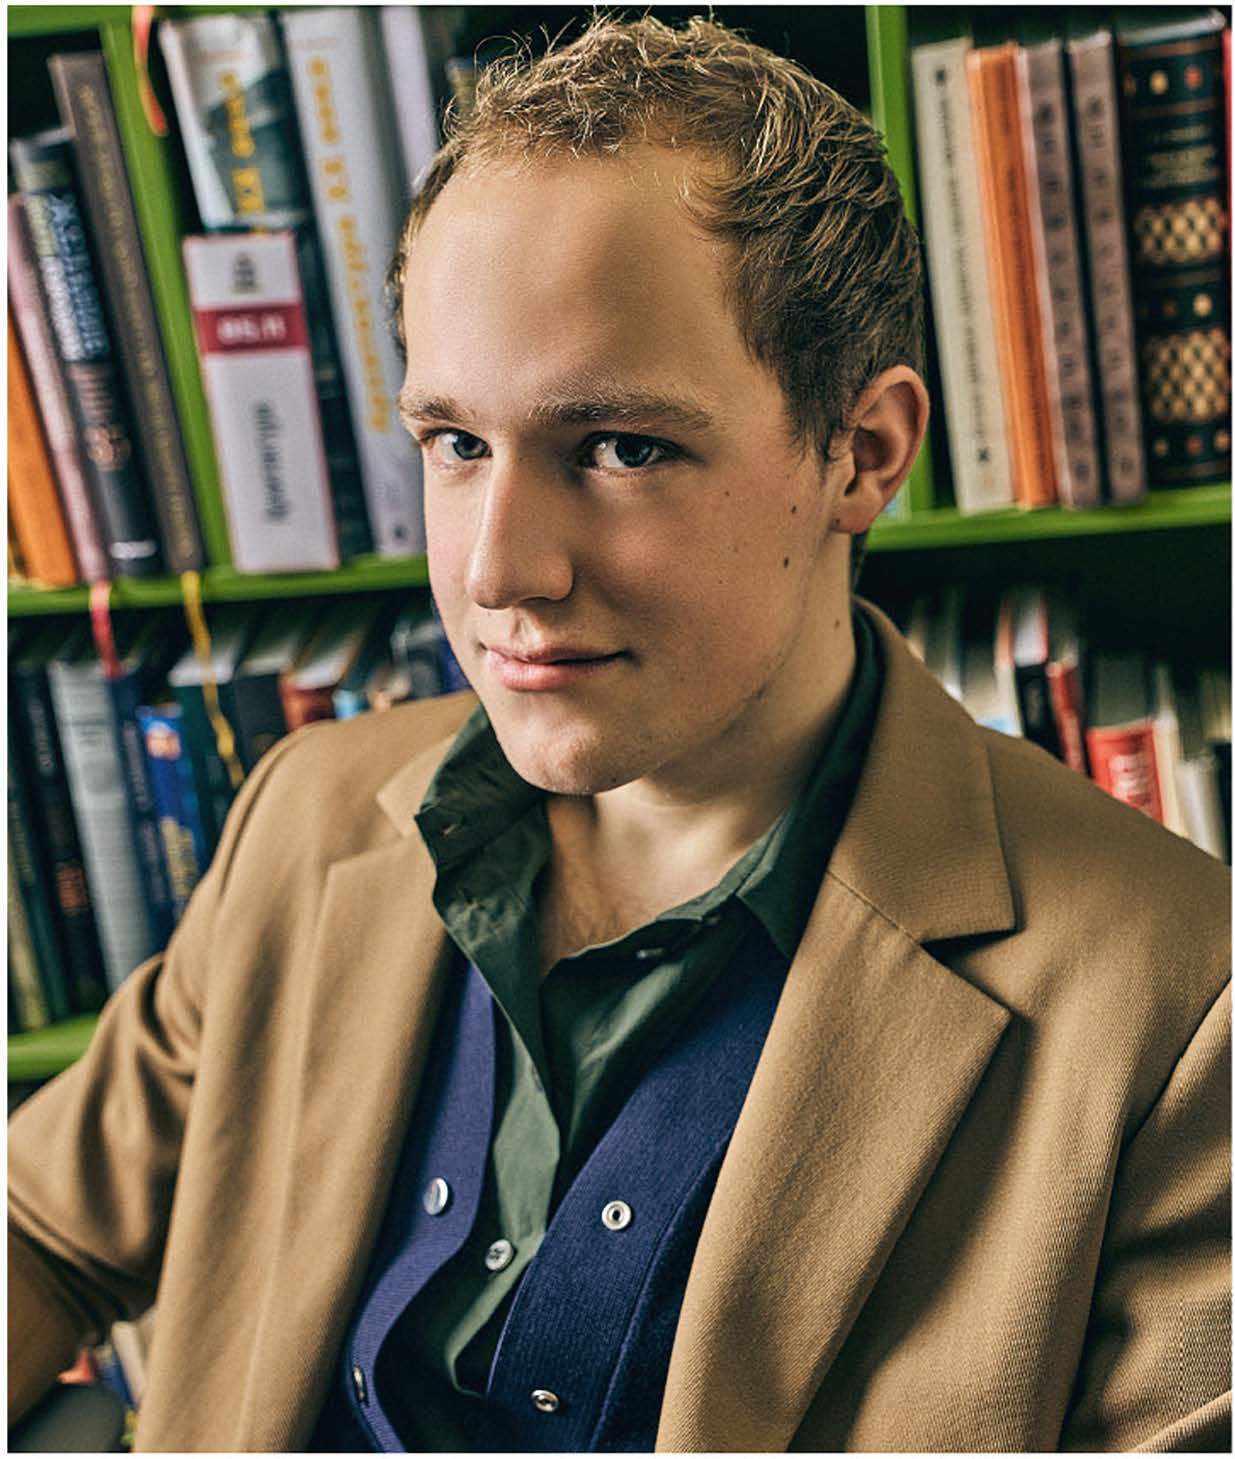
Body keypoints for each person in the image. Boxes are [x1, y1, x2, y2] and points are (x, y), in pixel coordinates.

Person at [8, 14, 1230, 1453]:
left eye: (621, 448)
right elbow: (39, 1231)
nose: (497, 573)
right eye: (457, 444)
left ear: (863, 453)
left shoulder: (1177, 1011)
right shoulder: (307, 810)